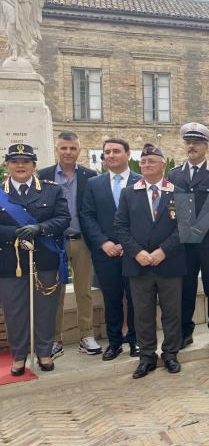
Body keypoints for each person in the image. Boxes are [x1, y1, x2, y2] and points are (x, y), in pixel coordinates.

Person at [114, 144, 185, 379]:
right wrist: (136, 252)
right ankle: (146, 357)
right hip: (139, 265)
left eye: (151, 161)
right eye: (143, 162)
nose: (146, 165)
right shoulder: (129, 192)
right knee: (142, 313)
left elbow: (185, 228)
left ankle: (171, 354)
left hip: (169, 263)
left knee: (172, 312)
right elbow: (121, 227)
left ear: (163, 164)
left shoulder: (178, 191)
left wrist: (163, 251)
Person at [0, 143, 70, 376]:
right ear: (7, 165)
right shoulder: (1, 191)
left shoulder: (51, 190)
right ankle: (19, 356)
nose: (20, 165)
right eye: (15, 161)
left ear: (33, 165)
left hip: (44, 259)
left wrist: (39, 228)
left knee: (45, 309)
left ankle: (43, 352)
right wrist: (14, 233)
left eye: (26, 161)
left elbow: (63, 218)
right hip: (11, 263)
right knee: (14, 311)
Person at [37, 132, 99, 357]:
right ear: (57, 150)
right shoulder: (43, 176)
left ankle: (87, 335)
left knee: (84, 291)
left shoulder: (90, 176)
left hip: (81, 242)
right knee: (55, 293)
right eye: (64, 148)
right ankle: (55, 340)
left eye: (73, 148)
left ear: (79, 151)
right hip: (53, 243)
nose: (68, 152)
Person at [168, 123, 209, 350]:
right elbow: (171, 207)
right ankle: (186, 332)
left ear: (206, 146)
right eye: (188, 142)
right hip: (184, 245)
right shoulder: (175, 175)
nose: (191, 146)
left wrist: (198, 229)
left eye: (197, 142)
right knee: (186, 289)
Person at [79, 138, 141, 360]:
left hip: (133, 252)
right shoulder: (94, 184)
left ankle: (135, 340)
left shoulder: (141, 181)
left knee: (135, 297)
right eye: (107, 152)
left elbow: (145, 218)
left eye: (116, 151)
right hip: (105, 252)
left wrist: (129, 244)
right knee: (112, 298)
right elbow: (87, 215)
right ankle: (115, 342)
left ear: (128, 154)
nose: (111, 155)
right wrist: (103, 242)